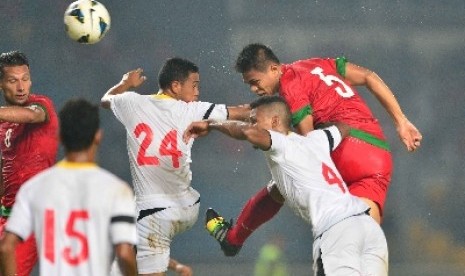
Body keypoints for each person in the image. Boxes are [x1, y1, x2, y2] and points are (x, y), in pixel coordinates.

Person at [203, 43, 423, 256]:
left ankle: (233, 239)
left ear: (273, 69)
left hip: (346, 147)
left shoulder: (290, 86)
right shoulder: (318, 65)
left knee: (282, 181)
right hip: (378, 157)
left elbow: (307, 145)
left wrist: (216, 124)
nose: (253, 89)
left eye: (255, 82)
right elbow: (369, 77)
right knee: (361, 244)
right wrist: (401, 122)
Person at [184, 96, 389, 275]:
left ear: (275, 121)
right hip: (368, 228)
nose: (252, 124)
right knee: (277, 189)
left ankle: (233, 239)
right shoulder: (316, 141)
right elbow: (343, 128)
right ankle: (233, 238)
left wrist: (211, 124)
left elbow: (247, 132)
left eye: (255, 120)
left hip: (338, 233)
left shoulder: (282, 144)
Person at [100, 57, 249, 276]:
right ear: (176, 86)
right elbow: (241, 111)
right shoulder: (193, 110)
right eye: (194, 85)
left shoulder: (132, 102)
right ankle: (220, 232)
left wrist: (125, 83)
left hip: (154, 211)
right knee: (139, 241)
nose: (198, 91)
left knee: (141, 237)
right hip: (188, 206)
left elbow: (106, 99)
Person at [0, 98, 138, 275]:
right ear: (98, 136)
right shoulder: (117, 190)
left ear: (59, 136)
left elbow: (6, 247)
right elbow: (125, 254)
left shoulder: (34, 189)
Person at [0, 50, 59, 275]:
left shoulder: (41, 105)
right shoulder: (5, 123)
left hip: (30, 216)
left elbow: (33, 116)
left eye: (25, 79)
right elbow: (5, 168)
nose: (21, 87)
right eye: (13, 81)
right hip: (6, 214)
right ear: (1, 84)